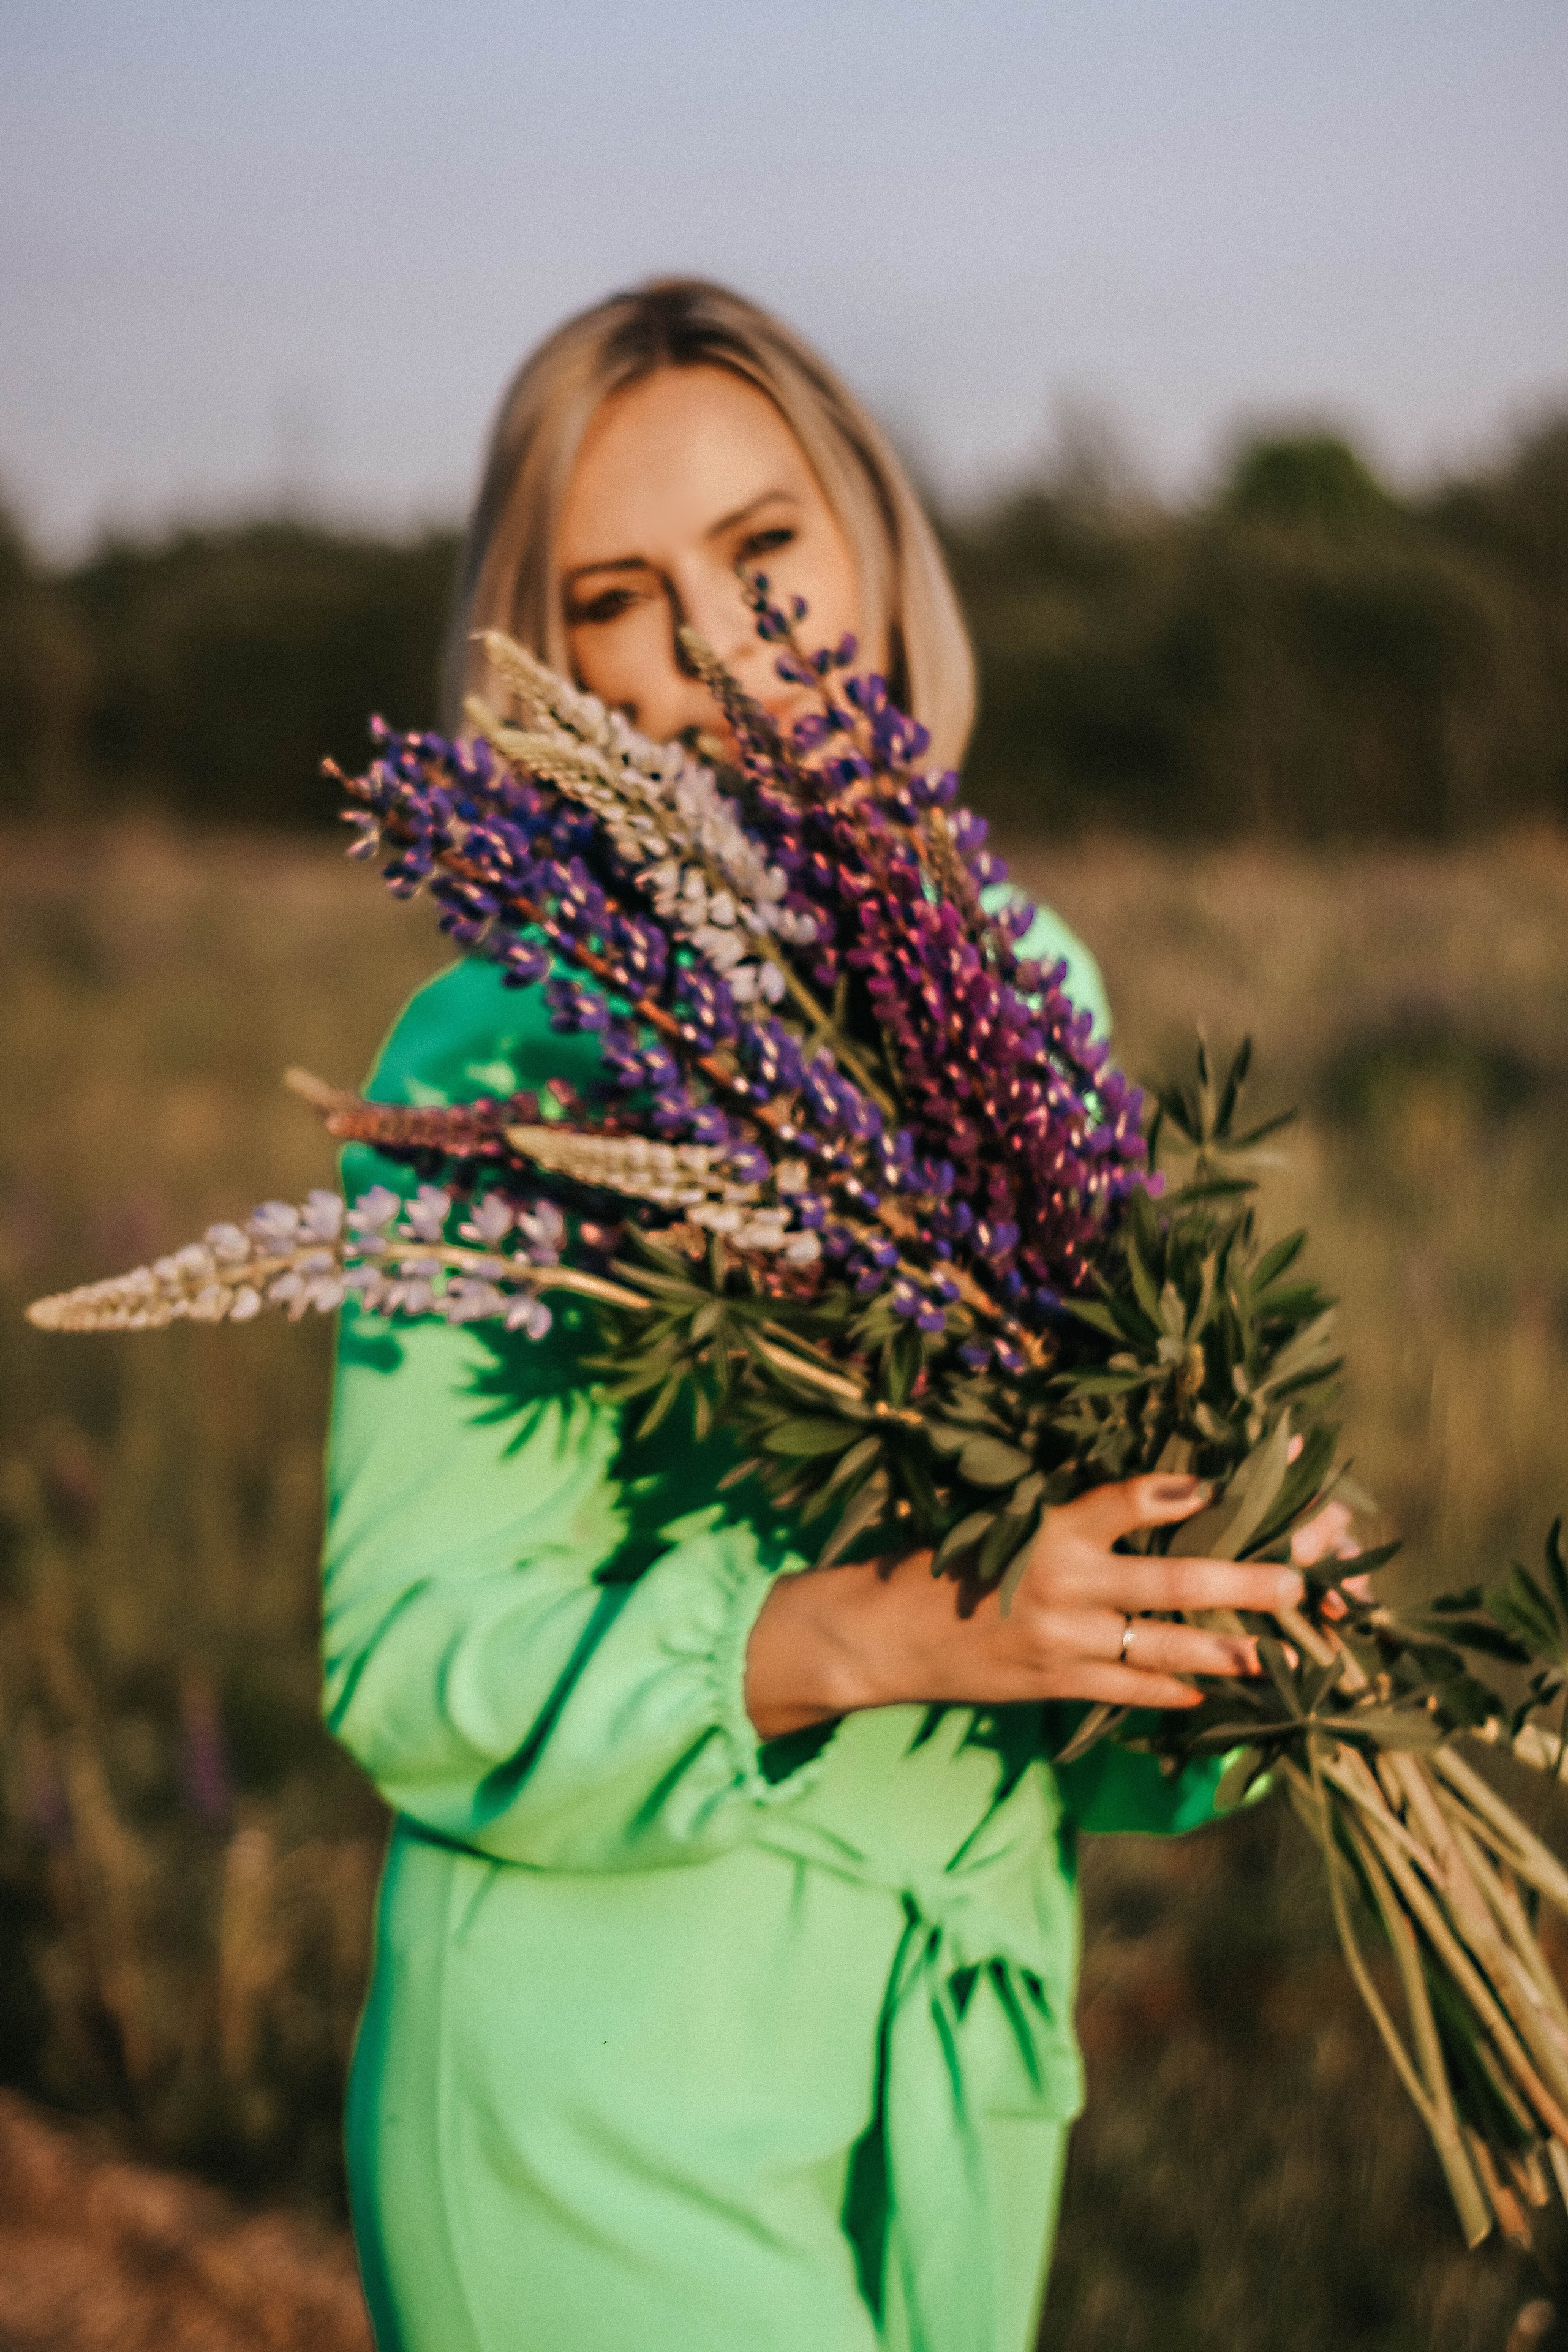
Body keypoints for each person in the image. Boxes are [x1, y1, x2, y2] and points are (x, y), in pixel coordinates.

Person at [323, 278, 1304, 2352]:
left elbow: (1055, 1702)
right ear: (539, 655)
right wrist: (866, 1632)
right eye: (614, 593)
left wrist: (1228, 1636)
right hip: (586, 2115)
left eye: (760, 551)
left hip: (939, 2115)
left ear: (866, 548)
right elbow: (408, 1664)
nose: (707, 648)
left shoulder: (1024, 973)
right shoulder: (494, 1058)